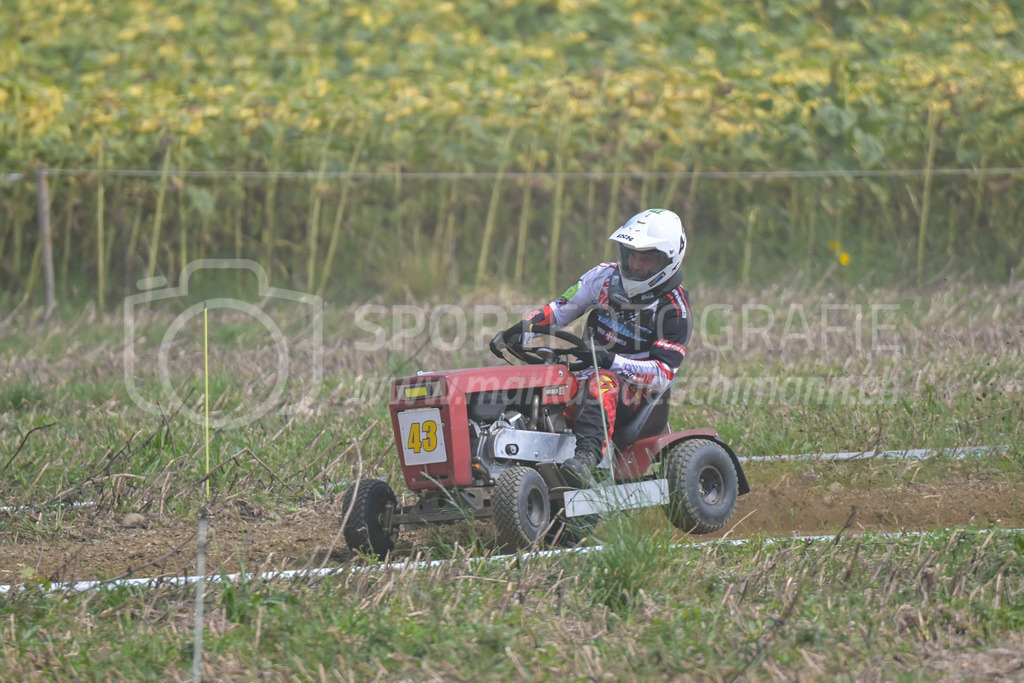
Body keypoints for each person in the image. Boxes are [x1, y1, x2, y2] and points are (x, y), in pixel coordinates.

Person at [490, 208, 692, 486]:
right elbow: (561, 309)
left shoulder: (674, 309)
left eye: (645, 259)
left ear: (667, 260)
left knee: (601, 383)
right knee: (534, 385)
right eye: (630, 254)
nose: (635, 264)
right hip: (588, 372)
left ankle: (586, 459)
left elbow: (662, 374)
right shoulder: (604, 277)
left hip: (633, 393)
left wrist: (610, 361)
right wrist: (522, 330)